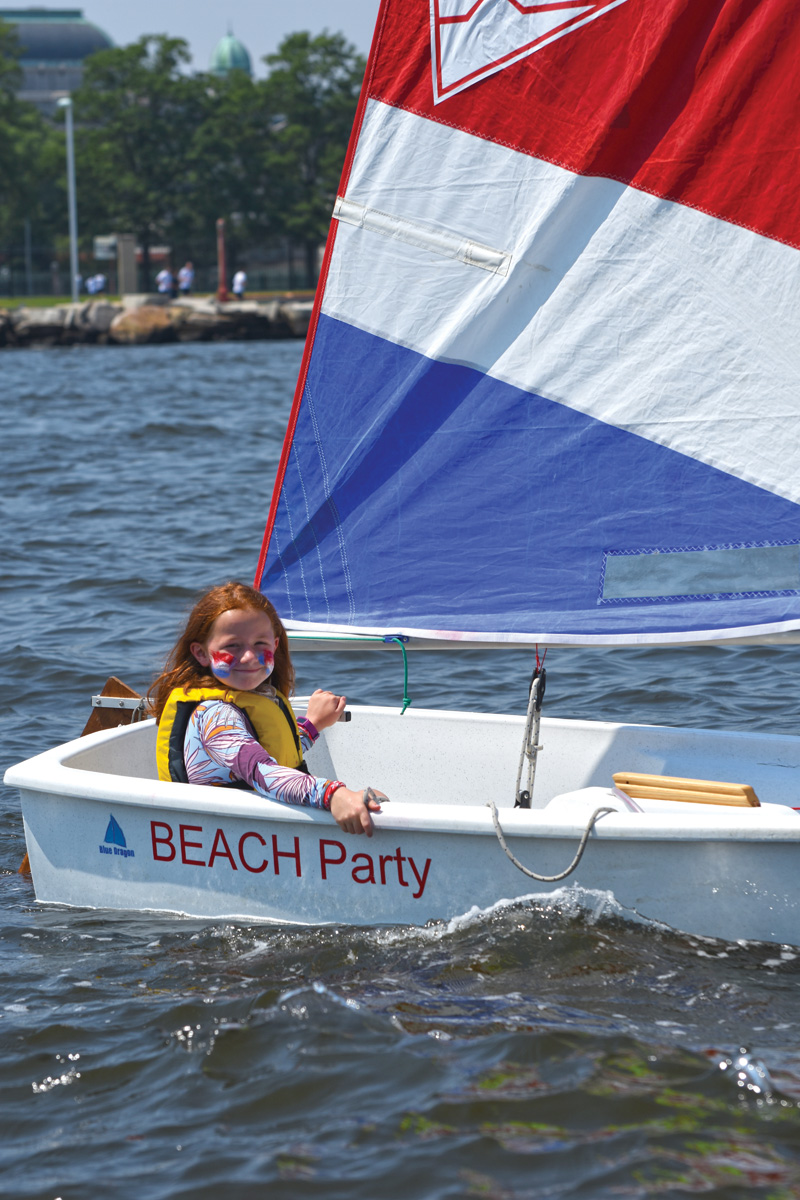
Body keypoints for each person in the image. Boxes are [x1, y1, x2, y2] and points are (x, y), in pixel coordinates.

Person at [149, 581, 385, 836]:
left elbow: (268, 749)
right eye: (232, 646)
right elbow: (261, 771)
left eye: (260, 643)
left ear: (274, 644)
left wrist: (312, 725)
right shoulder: (216, 717)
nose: (250, 657)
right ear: (202, 653)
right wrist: (334, 795)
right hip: (233, 838)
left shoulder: (241, 701)